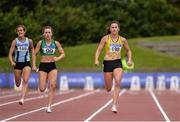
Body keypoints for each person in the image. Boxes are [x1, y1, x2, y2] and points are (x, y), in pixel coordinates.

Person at [95, 21, 132, 113]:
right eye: (112, 27)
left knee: (118, 82)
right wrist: (96, 59)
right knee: (108, 88)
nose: (114, 29)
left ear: (118, 29)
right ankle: (109, 86)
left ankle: (114, 105)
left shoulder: (123, 40)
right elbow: (99, 50)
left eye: (116, 27)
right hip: (107, 63)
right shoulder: (105, 39)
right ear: (110, 29)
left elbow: (129, 50)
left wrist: (129, 60)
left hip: (117, 63)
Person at [32, 26, 65, 113]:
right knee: (42, 88)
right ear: (43, 34)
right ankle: (45, 80)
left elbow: (63, 54)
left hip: (52, 66)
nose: (47, 34)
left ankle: (49, 106)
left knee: (53, 85)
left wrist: (57, 58)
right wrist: (34, 65)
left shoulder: (56, 43)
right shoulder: (40, 43)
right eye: (46, 32)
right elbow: (34, 54)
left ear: (52, 34)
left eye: (49, 32)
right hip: (43, 66)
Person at [8, 25, 35, 105]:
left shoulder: (29, 41)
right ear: (17, 32)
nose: (20, 32)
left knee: (26, 80)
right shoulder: (15, 41)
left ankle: (22, 98)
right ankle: (17, 81)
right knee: (17, 83)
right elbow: (10, 54)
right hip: (17, 63)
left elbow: (32, 49)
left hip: (26, 62)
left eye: (21, 30)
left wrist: (33, 64)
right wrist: (12, 62)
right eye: (18, 30)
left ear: (24, 31)